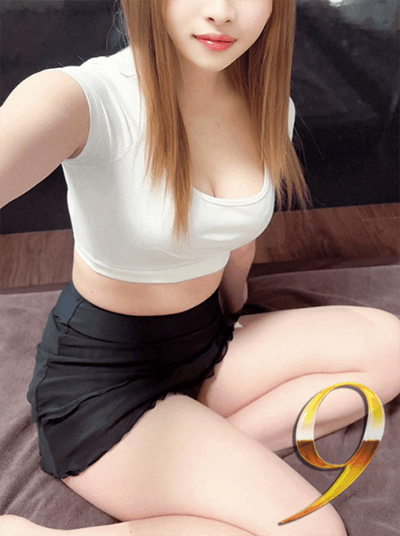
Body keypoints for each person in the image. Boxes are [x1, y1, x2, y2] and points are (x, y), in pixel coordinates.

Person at [1, 1, 399, 534]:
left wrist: (236, 313)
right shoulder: (86, 98)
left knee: (391, 348)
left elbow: (236, 244)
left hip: (206, 343)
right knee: (314, 530)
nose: (221, 12)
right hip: (105, 387)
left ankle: (202, 450)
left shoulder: (267, 104)